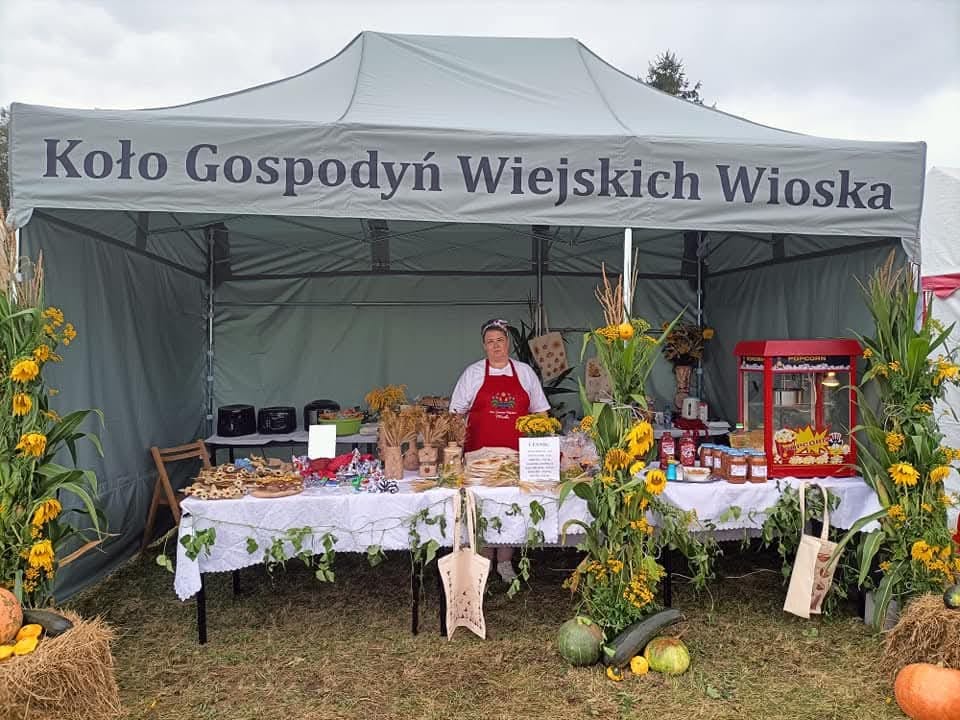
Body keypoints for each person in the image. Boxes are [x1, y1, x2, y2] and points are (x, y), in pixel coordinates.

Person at [449, 318, 550, 582]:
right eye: (490, 342)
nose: (495, 346)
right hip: (479, 459)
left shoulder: (525, 373)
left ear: (508, 344)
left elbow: (542, 413)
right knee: (481, 508)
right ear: (484, 346)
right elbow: (455, 414)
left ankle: (505, 562)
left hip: (515, 457)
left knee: (510, 508)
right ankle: (483, 562)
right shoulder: (472, 374)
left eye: (500, 341)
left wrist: (541, 442)